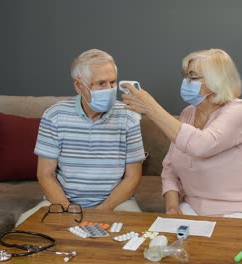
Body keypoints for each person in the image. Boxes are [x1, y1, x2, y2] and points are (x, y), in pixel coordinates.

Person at [121, 48, 242, 220]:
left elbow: (201, 146)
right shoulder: (188, 113)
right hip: (195, 208)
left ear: (216, 80)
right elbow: (170, 167)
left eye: (193, 77)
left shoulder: (239, 111)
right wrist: (172, 207)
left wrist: (151, 108)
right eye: (186, 76)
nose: (186, 82)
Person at [16, 49, 145, 226]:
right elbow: (46, 174)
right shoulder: (54, 115)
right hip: (61, 204)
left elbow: (133, 177)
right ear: (79, 86)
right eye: (100, 83)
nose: (109, 89)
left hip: (117, 204)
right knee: (24, 229)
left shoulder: (129, 117)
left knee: (135, 237)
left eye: (112, 82)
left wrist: (100, 213)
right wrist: (70, 211)